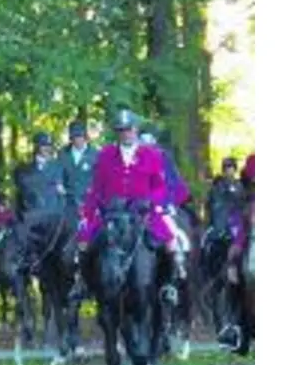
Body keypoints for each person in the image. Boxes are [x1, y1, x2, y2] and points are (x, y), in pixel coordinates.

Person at [73, 108, 191, 291]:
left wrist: (151, 201)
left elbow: (160, 186)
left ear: (136, 130)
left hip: (143, 211)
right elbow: (97, 187)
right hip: (112, 212)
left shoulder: (152, 155)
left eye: (129, 129)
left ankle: (169, 286)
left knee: (170, 240)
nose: (126, 134)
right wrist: (89, 211)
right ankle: (83, 284)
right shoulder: (106, 155)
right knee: (83, 239)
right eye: (121, 130)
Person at [14, 132, 66, 219]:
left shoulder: (57, 167)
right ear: (36, 146)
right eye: (43, 145)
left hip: (53, 217)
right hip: (32, 217)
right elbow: (20, 196)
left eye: (49, 146)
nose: (47, 148)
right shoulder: (24, 170)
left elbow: (61, 194)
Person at [59, 119, 98, 212]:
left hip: (88, 201)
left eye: (80, 136)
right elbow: (58, 173)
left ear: (85, 136)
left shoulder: (95, 154)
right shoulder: (63, 154)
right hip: (68, 202)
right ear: (71, 138)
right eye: (75, 136)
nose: (78, 139)